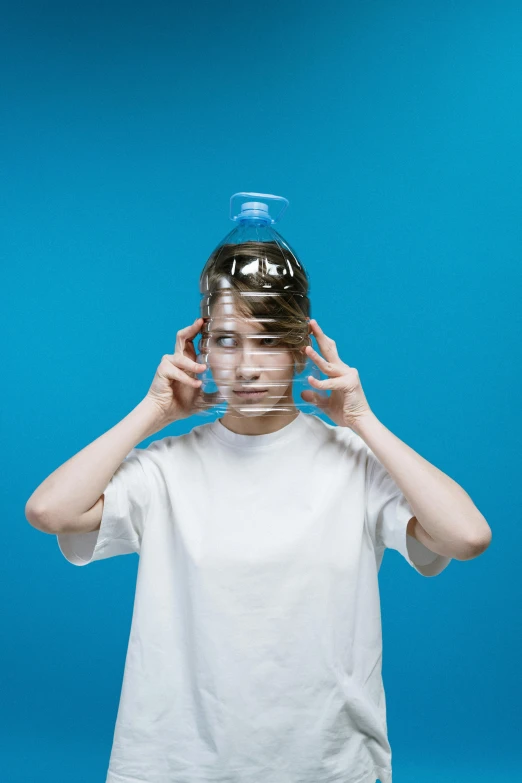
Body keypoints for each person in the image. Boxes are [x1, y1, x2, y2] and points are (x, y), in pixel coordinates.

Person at [25, 255, 491, 783]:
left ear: (300, 352)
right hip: (174, 765)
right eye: (225, 339)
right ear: (202, 352)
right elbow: (49, 511)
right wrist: (152, 413)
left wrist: (365, 423)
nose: (246, 365)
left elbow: (467, 536)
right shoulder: (165, 467)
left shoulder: (355, 465)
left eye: (268, 340)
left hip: (326, 764)